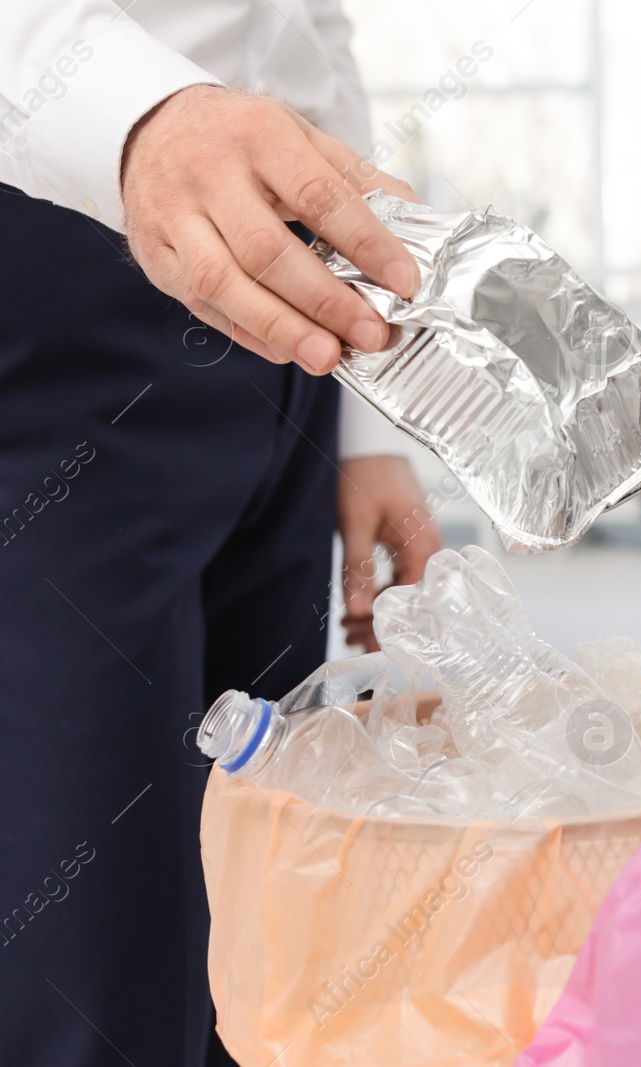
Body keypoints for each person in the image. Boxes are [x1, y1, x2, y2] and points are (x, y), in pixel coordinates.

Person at [0, 2, 444, 1064]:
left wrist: (368, 424)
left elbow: (307, 31)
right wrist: (140, 119)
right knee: (92, 950)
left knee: (263, 920)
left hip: (278, 293)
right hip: (67, 237)